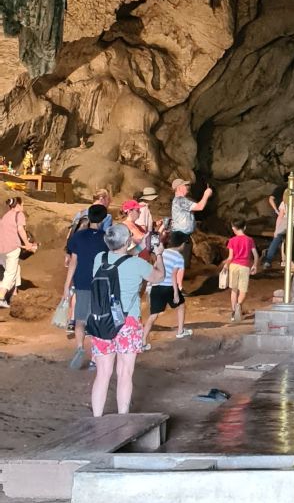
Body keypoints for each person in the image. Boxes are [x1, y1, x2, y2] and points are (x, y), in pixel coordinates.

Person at [90, 224, 163, 417]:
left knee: (103, 374)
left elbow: (121, 256)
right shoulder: (137, 264)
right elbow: (158, 276)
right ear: (127, 241)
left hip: (101, 321)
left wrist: (141, 246)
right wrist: (159, 254)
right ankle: (123, 417)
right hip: (127, 323)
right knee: (124, 373)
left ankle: (97, 418)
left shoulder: (99, 258)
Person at [64, 204, 109, 369]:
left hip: (81, 282)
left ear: (89, 217)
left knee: (80, 320)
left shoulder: (78, 237)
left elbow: (73, 262)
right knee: (96, 321)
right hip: (100, 283)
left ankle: (79, 348)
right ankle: (94, 360)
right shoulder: (106, 238)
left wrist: (66, 285)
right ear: (104, 219)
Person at [0, 197, 38, 308]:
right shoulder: (19, 215)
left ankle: (13, 294)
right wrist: (27, 244)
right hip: (11, 249)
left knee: (15, 269)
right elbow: (20, 230)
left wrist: (22, 245)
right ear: (18, 205)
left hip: (2, 249)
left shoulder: (5, 216)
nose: (23, 207)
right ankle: (1, 297)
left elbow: (7, 235)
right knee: (10, 274)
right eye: (22, 205)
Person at [170, 178, 212, 266]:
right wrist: (206, 194)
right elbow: (200, 207)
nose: (188, 187)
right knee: (181, 265)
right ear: (179, 188)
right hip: (180, 237)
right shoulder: (180, 200)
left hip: (182, 236)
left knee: (182, 264)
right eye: (185, 185)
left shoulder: (180, 200)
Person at [224, 218, 258, 322]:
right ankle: (239, 305)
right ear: (245, 227)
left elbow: (230, 257)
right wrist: (255, 265)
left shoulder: (231, 241)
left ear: (233, 228)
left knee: (234, 290)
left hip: (233, 266)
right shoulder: (249, 240)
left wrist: (225, 266)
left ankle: (234, 312)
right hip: (244, 266)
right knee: (243, 289)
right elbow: (255, 255)